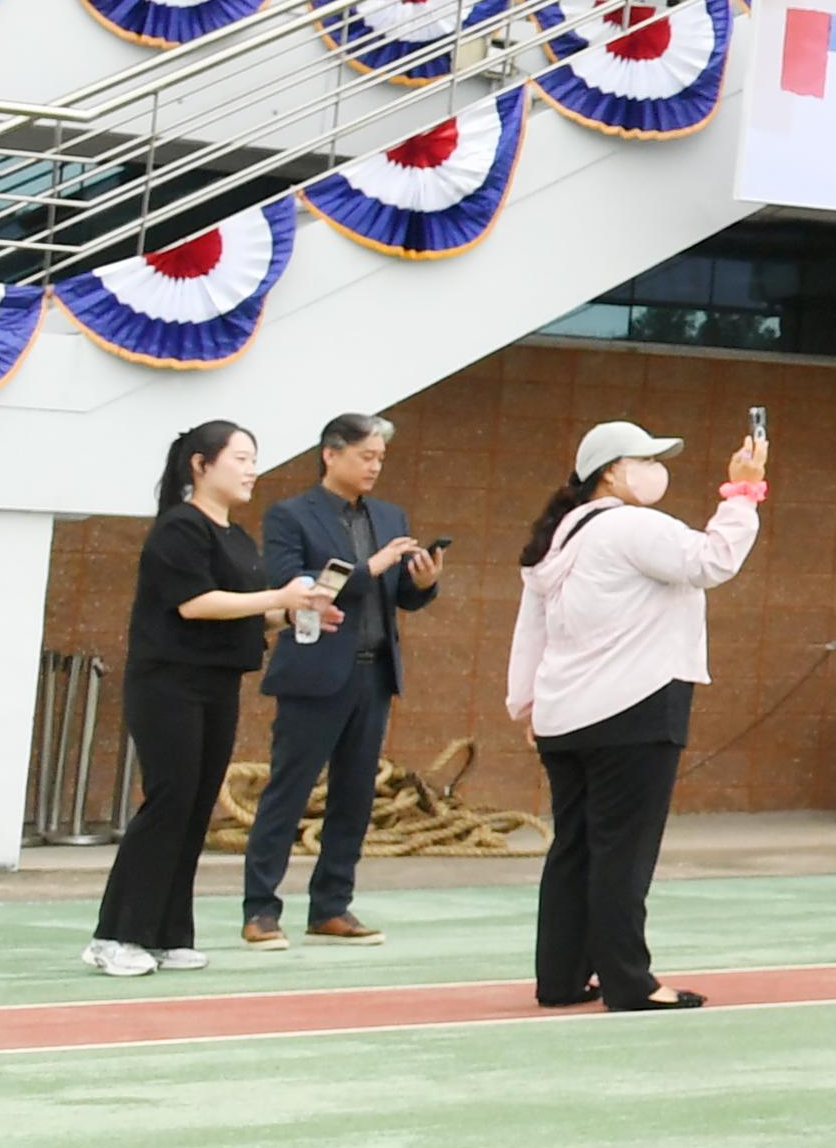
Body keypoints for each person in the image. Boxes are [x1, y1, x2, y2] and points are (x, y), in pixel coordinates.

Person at [507, 416, 766, 1012]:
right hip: (635, 707)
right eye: (646, 460)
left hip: (564, 715)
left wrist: (526, 703)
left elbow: (531, 630)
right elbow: (711, 561)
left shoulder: (559, 538)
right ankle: (630, 981)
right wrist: (743, 492)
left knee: (575, 847)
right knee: (623, 851)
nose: (656, 470)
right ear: (610, 472)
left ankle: (560, 978)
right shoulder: (630, 525)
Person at [85, 422, 339, 976]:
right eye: (240, 458)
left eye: (253, 459)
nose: (251, 470)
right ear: (201, 465)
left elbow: (241, 612)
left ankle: (166, 933)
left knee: (196, 806)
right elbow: (195, 604)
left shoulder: (236, 537)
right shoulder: (180, 528)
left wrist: (293, 613)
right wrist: (276, 595)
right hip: (168, 684)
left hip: (218, 682)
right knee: (169, 800)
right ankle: (115, 935)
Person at [240, 412, 444, 948]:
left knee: (354, 796)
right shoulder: (290, 515)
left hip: (374, 673)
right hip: (314, 671)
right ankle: (260, 909)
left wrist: (423, 583)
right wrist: (369, 567)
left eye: (380, 458)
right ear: (331, 454)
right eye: (365, 456)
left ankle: (332, 905)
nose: (375, 467)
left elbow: (399, 596)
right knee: (288, 791)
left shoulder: (389, 515)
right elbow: (292, 585)